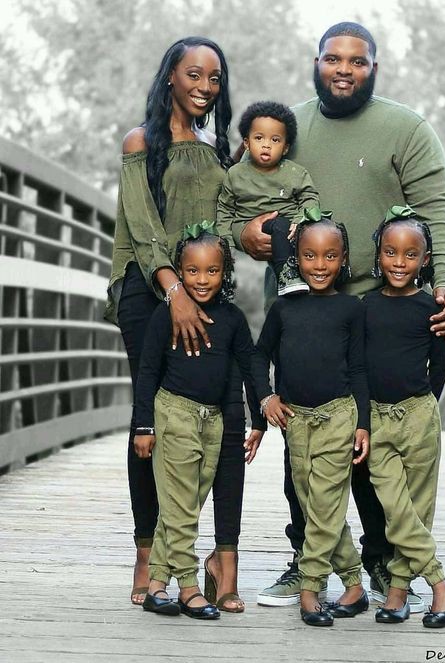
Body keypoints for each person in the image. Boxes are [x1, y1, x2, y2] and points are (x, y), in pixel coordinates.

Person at [230, 22, 445, 611]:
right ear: (317, 62)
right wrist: (242, 235)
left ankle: (385, 563)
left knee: (370, 438)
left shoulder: (407, 128)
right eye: (333, 59)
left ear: (373, 69)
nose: (344, 69)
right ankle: (306, 557)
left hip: (381, 310)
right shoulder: (287, 125)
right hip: (303, 309)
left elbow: (436, 210)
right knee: (304, 440)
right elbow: (238, 197)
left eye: (357, 62)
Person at [105, 36, 257, 611]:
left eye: (214, 78)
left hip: (204, 292)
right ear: (170, 75)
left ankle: (215, 556)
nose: (204, 86)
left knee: (215, 414)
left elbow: (225, 220)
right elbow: (144, 230)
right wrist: (174, 295)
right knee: (153, 422)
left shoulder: (219, 153)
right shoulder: (141, 142)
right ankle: (149, 553)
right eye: (194, 74)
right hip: (149, 295)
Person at [133, 225, 264, 619]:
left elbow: (250, 366)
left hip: (214, 422)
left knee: (185, 501)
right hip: (174, 414)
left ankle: (157, 584)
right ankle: (189, 587)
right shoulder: (163, 316)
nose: (202, 279)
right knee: (180, 508)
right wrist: (144, 426)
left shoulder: (233, 319)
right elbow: (147, 372)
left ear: (225, 273)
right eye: (192, 271)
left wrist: (260, 418)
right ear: (180, 271)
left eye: (211, 271)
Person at [254, 216, 370, 627]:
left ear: (343, 260)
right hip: (296, 420)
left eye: (330, 256)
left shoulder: (351, 309)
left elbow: (358, 369)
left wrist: (363, 423)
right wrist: (266, 397)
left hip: (339, 414)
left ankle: (309, 586)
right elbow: (257, 356)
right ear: (298, 259)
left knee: (325, 502)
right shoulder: (283, 308)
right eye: (310, 255)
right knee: (312, 502)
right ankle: (354, 584)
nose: (319, 264)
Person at [365, 205, 445, 628]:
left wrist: (426, 408)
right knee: (395, 508)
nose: (398, 262)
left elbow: (438, 368)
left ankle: (399, 591)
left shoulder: (431, 309)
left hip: (419, 416)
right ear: (379, 254)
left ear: (425, 260)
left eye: (409, 255)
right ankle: (441, 585)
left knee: (417, 509)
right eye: (390, 252)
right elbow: (356, 367)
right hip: (377, 420)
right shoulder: (364, 307)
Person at [216, 100, 319, 296]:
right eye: (259, 138)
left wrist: (300, 220)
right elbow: (225, 210)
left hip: (287, 228)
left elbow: (309, 196)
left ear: (286, 147)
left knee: (281, 225)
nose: (266, 145)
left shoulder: (295, 173)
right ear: (246, 143)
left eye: (275, 140)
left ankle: (288, 276)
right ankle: (229, 280)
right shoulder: (235, 174)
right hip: (251, 225)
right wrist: (227, 246)